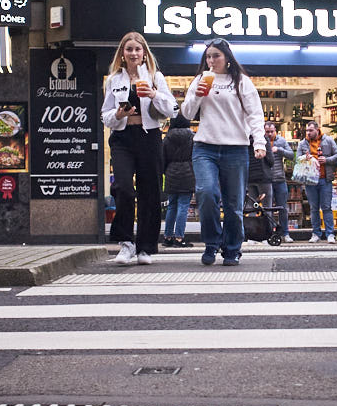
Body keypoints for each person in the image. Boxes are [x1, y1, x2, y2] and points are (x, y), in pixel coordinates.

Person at [181, 38, 266, 267]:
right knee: (206, 193)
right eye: (208, 56)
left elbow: (255, 114)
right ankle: (211, 243)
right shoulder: (200, 79)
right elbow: (187, 113)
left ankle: (232, 249)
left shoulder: (242, 82)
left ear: (227, 57)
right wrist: (197, 94)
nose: (211, 60)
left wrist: (259, 142)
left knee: (233, 204)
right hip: (205, 146)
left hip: (236, 148)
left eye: (216, 55)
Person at [102, 31, 178, 266]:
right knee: (123, 187)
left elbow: (172, 109)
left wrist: (154, 95)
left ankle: (146, 246)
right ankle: (126, 243)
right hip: (123, 138)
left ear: (144, 53)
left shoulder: (155, 77)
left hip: (150, 137)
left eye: (137, 49)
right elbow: (105, 116)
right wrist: (118, 114)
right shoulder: (114, 80)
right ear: (122, 54)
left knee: (150, 191)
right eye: (129, 49)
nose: (133, 53)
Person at [297, 120, 337, 243]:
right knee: (313, 208)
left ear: (317, 129)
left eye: (311, 130)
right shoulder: (303, 144)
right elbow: (297, 159)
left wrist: (327, 160)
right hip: (310, 180)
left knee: (326, 207)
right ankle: (316, 233)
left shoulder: (328, 140)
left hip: (325, 178)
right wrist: (304, 159)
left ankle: (330, 234)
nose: (308, 133)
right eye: (307, 130)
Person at [161, 112, 195, 248]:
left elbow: (162, 159)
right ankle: (179, 237)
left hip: (171, 173)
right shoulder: (192, 137)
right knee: (183, 206)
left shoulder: (167, 138)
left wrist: (167, 171)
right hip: (188, 173)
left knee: (172, 206)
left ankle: (168, 236)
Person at [264, 120, 294, 242]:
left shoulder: (281, 141)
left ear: (275, 131)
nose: (270, 134)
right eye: (267, 132)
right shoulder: (261, 141)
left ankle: (285, 233)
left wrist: (279, 150)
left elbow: (291, 155)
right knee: (268, 208)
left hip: (280, 179)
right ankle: (269, 233)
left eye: (272, 131)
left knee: (282, 208)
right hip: (266, 180)